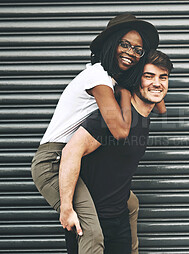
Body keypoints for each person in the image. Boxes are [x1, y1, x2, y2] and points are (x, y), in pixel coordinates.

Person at [30, 13, 163, 254]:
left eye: (138, 50)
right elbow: (121, 131)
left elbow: (161, 106)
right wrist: (67, 208)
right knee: (91, 232)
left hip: (72, 160)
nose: (131, 52)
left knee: (129, 203)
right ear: (111, 43)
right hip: (52, 162)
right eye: (125, 44)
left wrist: (142, 78)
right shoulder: (98, 76)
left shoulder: (114, 79)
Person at [60, 49, 173, 253]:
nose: (157, 82)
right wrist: (66, 208)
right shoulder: (112, 118)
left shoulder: (143, 111)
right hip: (91, 221)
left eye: (163, 77)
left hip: (118, 219)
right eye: (148, 76)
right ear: (136, 79)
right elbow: (70, 153)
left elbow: (159, 102)